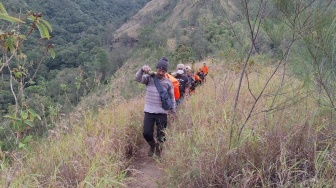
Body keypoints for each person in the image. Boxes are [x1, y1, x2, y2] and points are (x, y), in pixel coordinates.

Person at [134, 57, 176, 157]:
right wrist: (141, 69)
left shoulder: (168, 83)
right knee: (146, 133)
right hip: (149, 111)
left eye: (163, 71)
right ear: (156, 69)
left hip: (162, 112)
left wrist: (173, 112)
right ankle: (152, 145)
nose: (161, 72)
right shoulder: (149, 78)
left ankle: (158, 151)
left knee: (161, 135)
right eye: (159, 70)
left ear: (166, 71)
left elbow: (172, 97)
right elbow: (137, 78)